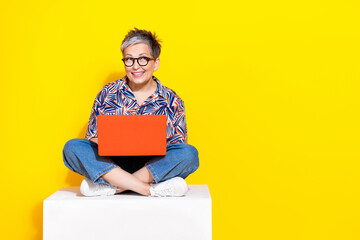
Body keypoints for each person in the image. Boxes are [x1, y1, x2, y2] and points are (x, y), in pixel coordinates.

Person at [62, 28, 199, 197]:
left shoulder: (173, 100)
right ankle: (146, 189)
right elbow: (91, 138)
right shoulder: (107, 93)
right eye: (129, 60)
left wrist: (148, 142)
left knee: (189, 154)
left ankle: (116, 187)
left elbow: (179, 146)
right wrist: (118, 141)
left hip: (152, 166)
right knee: (72, 148)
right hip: (113, 165)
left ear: (155, 63)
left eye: (143, 59)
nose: (135, 66)